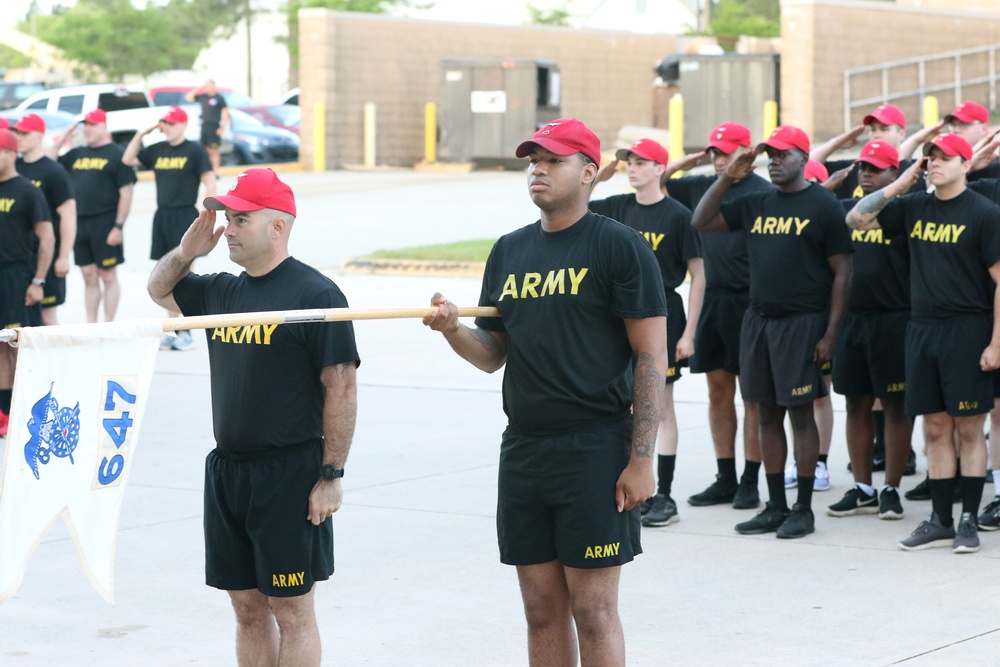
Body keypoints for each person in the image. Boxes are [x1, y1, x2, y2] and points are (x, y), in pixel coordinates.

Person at [423, 118, 667, 666]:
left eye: (554, 160)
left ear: (588, 172)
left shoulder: (620, 247)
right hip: (526, 449)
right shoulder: (509, 252)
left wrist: (641, 458)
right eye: (534, 160)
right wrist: (454, 329)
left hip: (596, 447)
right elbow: (494, 355)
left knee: (595, 612)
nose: (538, 168)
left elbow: (651, 358)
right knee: (540, 611)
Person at [147, 167, 360, 665]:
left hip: (289, 473)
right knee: (246, 608)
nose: (229, 230)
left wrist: (331, 475)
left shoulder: (316, 295)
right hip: (228, 471)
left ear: (278, 227)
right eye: (227, 217)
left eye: (240, 219)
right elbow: (158, 292)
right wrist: (185, 253)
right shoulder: (220, 291)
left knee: (291, 609)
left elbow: (342, 389)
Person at [691, 125, 854, 539]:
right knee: (765, 412)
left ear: (803, 156)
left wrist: (830, 335)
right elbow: (701, 220)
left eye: (784, 154)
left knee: (800, 414)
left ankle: (802, 509)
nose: (775, 161)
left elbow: (843, 273)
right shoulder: (756, 202)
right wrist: (728, 175)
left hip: (801, 324)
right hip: (757, 321)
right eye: (771, 155)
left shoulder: (822, 205)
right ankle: (775, 506)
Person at [846, 133, 1000, 554]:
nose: (934, 163)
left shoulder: (984, 214)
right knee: (934, 428)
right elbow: (856, 220)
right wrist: (901, 183)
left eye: (945, 158)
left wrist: (996, 343)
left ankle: (968, 517)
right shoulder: (914, 207)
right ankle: (940, 521)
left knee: (969, 430)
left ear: (966, 164)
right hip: (921, 330)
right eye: (930, 158)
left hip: (967, 331)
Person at [589, 138, 705, 528]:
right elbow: (577, 201)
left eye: (641, 162)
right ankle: (629, 486)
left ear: (660, 169)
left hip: (662, 314)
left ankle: (664, 495)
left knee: (660, 405)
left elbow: (699, 275)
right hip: (618, 316)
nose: (632, 168)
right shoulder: (617, 207)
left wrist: (689, 332)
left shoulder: (677, 215)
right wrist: (602, 175)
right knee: (623, 402)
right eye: (629, 162)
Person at [659, 122, 772, 511]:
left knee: (753, 397)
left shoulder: (764, 192)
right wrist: (684, 163)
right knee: (718, 392)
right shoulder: (700, 185)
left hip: (751, 302)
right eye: (713, 153)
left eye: (727, 152)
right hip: (713, 299)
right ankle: (725, 477)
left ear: (747, 153)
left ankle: (750, 480)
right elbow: (659, 182)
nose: (718, 159)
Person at [826, 140, 912, 521]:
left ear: (895, 174)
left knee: (895, 406)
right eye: (863, 167)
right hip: (852, 321)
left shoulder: (906, 213)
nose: (866, 173)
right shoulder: (845, 211)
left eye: (876, 168)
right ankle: (862, 488)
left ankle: (891, 487)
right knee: (856, 403)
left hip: (894, 320)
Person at [123, 105, 215, 351]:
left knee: (185, 276)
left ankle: (185, 331)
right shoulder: (158, 150)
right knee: (167, 275)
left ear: (183, 125)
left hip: (185, 214)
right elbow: (128, 159)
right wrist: (141, 134)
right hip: (162, 215)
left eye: (172, 123)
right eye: (164, 123)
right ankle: (171, 330)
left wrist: (208, 214)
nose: (167, 127)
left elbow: (210, 180)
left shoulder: (194, 150)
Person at [52, 108, 136, 323]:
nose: (87, 129)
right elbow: (49, 163)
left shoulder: (117, 155)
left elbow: (126, 193)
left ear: (103, 126)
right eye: (84, 125)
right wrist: (64, 137)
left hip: (106, 221)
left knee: (107, 275)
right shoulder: (76, 154)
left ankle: (108, 324)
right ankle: (92, 324)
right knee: (88, 276)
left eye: (91, 125)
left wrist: (118, 226)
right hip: (79, 222)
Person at [0, 128, 54, 438]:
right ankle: (4, 410)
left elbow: (47, 237)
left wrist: (38, 280)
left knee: (15, 344)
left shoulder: (27, 190)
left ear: (9, 154)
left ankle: (24, 409)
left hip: (16, 276)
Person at [13, 113, 76, 326]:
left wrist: (64, 256)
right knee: (21, 319)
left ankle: (54, 360)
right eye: (17, 132)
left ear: (39, 135)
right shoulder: (15, 168)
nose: (19, 137)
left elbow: (68, 215)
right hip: (21, 257)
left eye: (25, 133)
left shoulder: (53, 171)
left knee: (47, 317)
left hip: (47, 255)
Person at [186, 80, 229, 175]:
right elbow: (189, 98)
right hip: (204, 126)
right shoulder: (203, 97)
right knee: (204, 149)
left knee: (213, 149)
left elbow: (225, 113)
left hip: (214, 127)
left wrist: (222, 127)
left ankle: (216, 171)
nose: (208, 87)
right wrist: (199, 88)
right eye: (206, 86)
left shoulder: (219, 98)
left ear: (214, 86)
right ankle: (207, 169)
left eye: (210, 85)